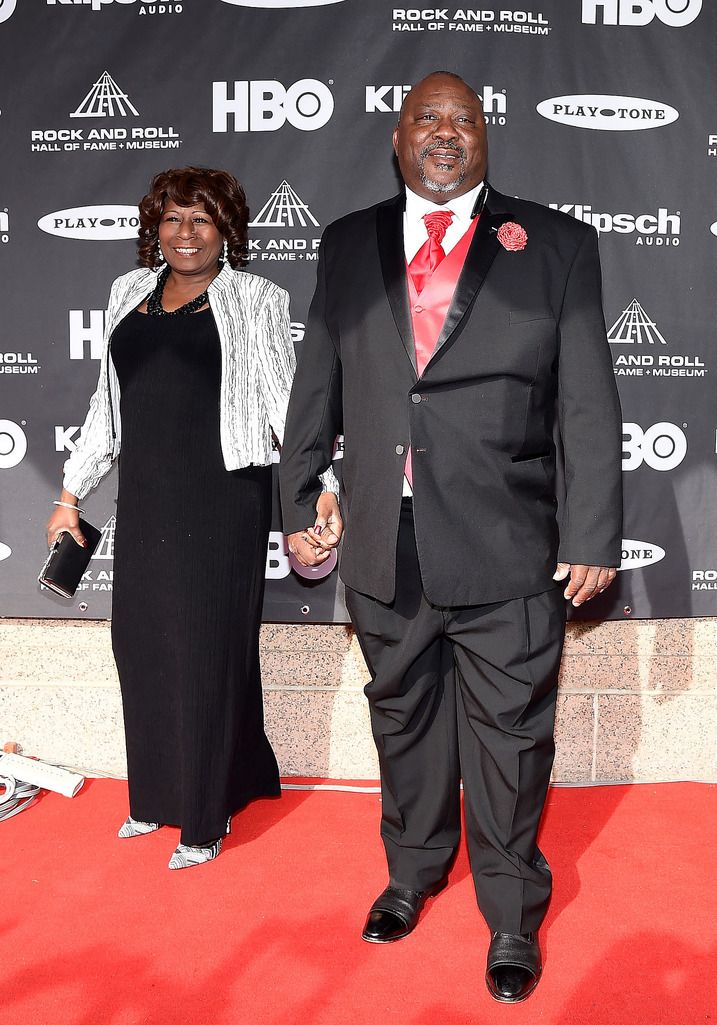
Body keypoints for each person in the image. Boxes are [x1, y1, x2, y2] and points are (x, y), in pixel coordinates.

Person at [279, 74, 622, 1002]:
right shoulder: (347, 241)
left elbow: (588, 401)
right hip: (381, 541)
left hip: (508, 538)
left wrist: (591, 530)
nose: (444, 133)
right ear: (396, 139)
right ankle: (413, 870)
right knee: (403, 716)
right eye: (425, 118)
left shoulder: (553, 242)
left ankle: (511, 914)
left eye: (462, 119)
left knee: (511, 735)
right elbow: (318, 377)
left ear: (484, 138)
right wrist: (296, 493)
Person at [47, 166, 335, 870]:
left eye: (201, 220)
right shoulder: (125, 294)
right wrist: (69, 491)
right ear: (156, 227)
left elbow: (285, 402)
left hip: (222, 496)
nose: (185, 233)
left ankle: (205, 817)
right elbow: (103, 407)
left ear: (227, 231)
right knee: (141, 646)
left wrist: (316, 485)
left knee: (206, 649)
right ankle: (154, 796)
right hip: (145, 496)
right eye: (173, 218)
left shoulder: (255, 299)